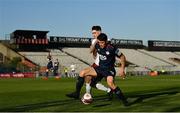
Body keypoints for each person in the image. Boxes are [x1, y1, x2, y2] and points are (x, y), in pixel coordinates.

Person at [66, 33, 128, 106]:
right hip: (99, 68)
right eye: (99, 42)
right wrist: (94, 52)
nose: (100, 44)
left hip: (109, 70)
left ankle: (124, 100)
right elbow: (93, 51)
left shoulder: (112, 48)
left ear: (106, 41)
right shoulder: (97, 45)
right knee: (82, 73)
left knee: (110, 83)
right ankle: (76, 93)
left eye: (102, 42)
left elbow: (122, 57)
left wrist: (122, 69)